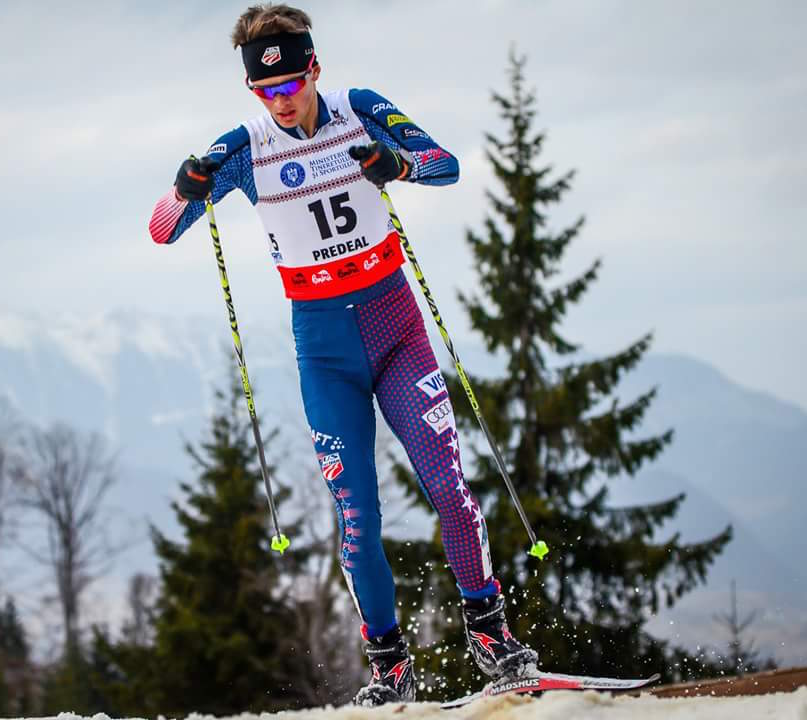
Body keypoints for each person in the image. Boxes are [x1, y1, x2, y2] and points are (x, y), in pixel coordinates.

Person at [148, 3, 538, 706]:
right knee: (357, 521)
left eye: (291, 84)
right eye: (266, 92)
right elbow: (161, 229)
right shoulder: (244, 146)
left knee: (446, 486)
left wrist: (396, 163)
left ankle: (490, 633)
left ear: (313, 69)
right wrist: (186, 185)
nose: (282, 101)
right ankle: (390, 667)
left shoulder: (359, 108)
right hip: (324, 353)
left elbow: (443, 166)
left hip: (396, 333)